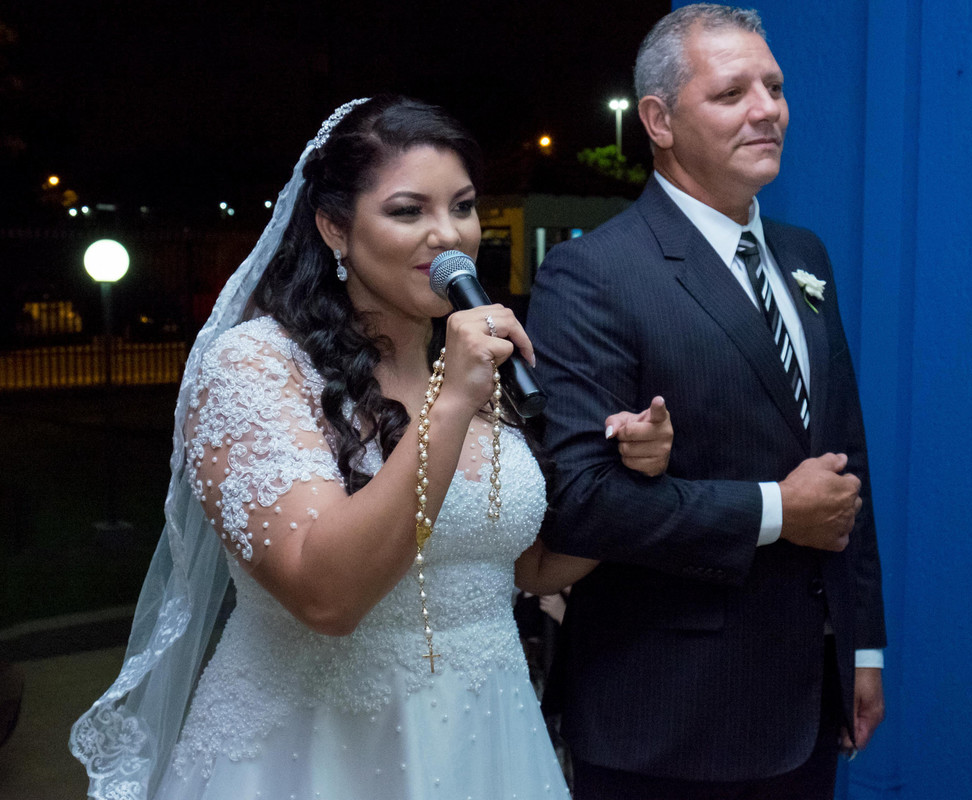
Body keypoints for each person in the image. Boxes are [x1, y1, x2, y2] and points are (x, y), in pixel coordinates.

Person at [69, 96, 671, 800]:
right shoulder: (256, 369)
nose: (449, 237)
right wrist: (448, 407)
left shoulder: (477, 365)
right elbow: (328, 597)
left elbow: (526, 567)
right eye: (409, 211)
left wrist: (633, 473)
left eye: (465, 207)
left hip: (486, 740)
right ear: (334, 227)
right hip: (316, 755)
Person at [526, 5, 886, 799]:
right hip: (670, 715)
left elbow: (844, 455)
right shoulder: (594, 276)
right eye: (732, 94)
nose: (768, 109)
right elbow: (578, 504)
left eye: (776, 86)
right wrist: (773, 511)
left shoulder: (803, 254)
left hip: (809, 693)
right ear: (657, 120)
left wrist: (861, 649)